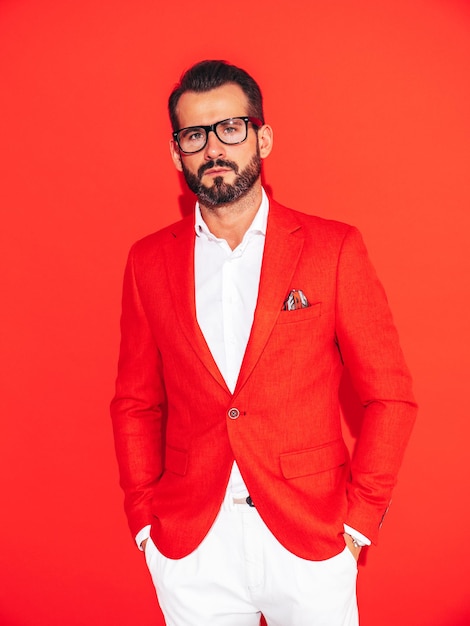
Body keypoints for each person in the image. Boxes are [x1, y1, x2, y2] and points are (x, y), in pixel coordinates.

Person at [110, 59, 417, 626]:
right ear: (177, 152)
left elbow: (391, 397)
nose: (213, 148)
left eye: (231, 128)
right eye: (194, 135)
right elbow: (134, 402)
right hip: (193, 545)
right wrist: (145, 522)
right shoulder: (147, 261)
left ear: (262, 137)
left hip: (312, 539)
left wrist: (358, 524)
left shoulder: (333, 249)